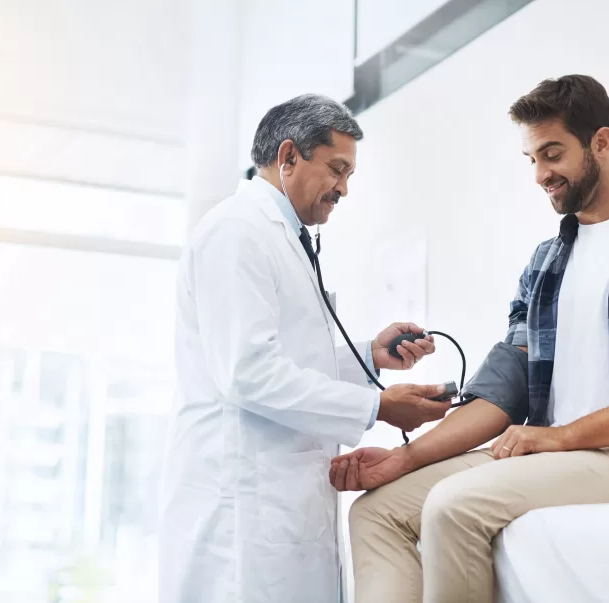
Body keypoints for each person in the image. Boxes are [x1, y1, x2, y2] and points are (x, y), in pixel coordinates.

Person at [331, 75, 609, 603]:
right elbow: (506, 390)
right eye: (532, 160)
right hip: (552, 454)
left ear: (602, 142)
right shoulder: (546, 262)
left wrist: (561, 437)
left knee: (453, 506)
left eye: (553, 154)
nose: (542, 174)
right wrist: (404, 460)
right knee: (376, 511)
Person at [159, 93, 452, 603]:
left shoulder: (282, 237)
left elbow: (288, 358)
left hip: (282, 503)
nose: (343, 188)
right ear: (288, 156)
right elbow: (248, 373)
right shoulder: (236, 233)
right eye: (337, 169)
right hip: (241, 515)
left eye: (350, 175)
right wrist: (379, 405)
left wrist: (369, 355)